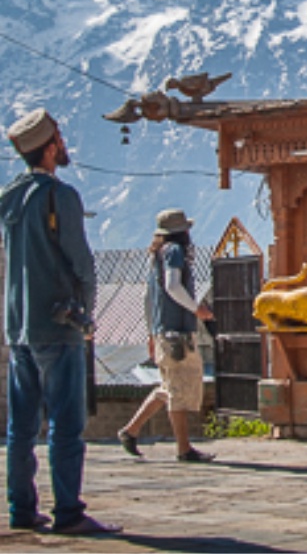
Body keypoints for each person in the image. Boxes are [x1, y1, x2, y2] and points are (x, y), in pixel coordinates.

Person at [1, 108, 121, 535]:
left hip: (19, 328)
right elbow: (81, 262)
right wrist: (86, 314)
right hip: (59, 325)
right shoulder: (60, 196)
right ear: (51, 147)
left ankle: (21, 509)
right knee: (66, 426)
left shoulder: (9, 198)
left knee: (22, 426)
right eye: (61, 141)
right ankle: (68, 512)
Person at [118, 208, 215, 462]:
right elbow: (173, 286)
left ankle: (131, 430)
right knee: (179, 389)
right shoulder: (174, 253)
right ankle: (183, 448)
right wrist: (197, 309)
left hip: (162, 330)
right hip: (177, 332)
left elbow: (148, 298)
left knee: (169, 386)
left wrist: (152, 332)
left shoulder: (156, 258)